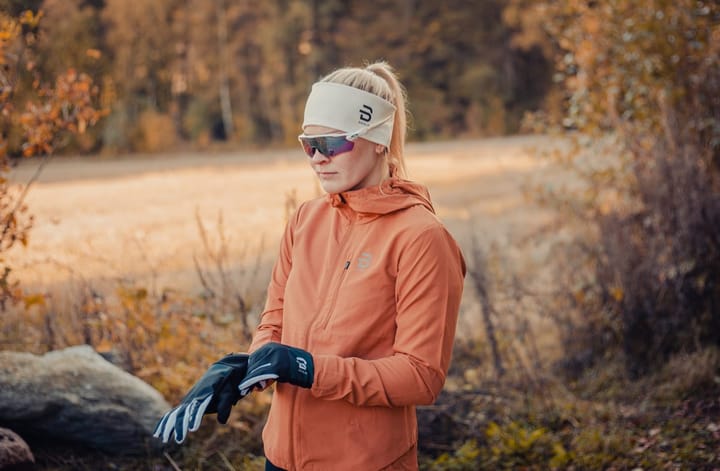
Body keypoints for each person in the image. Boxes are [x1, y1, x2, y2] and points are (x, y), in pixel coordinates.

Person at [154, 61, 466, 470]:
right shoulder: (305, 219)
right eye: (309, 144)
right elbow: (275, 319)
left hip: (364, 461)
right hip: (281, 456)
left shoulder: (422, 238)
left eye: (332, 144)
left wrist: (308, 368)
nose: (318, 158)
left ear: (377, 139)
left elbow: (421, 376)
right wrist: (250, 367)